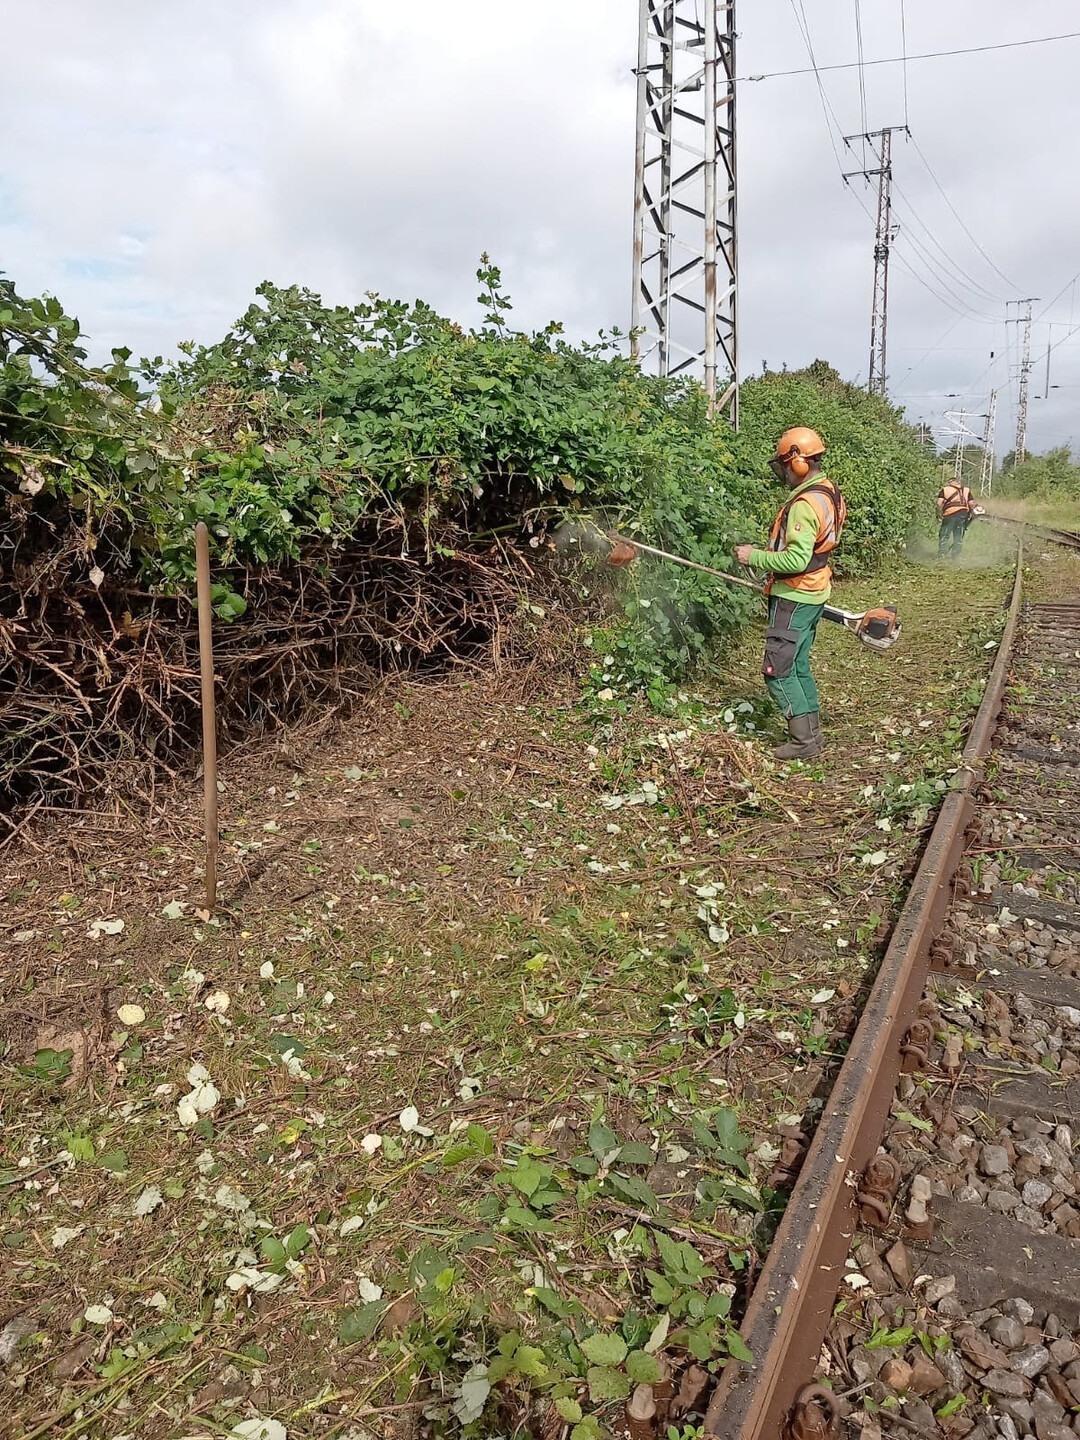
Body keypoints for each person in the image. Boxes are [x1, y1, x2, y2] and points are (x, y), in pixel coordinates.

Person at [734, 427, 846, 760]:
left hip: (795, 595)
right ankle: (813, 735)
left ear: (798, 463)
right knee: (798, 665)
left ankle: (802, 742)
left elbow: (796, 559)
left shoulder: (804, 504)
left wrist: (753, 556)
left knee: (778, 670)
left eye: (784, 466)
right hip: (815, 590)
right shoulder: (829, 492)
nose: (783, 473)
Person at [936, 477, 974, 559]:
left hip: (949, 514)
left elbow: (939, 503)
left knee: (945, 534)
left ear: (949, 483)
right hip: (963, 515)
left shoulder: (945, 489)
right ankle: (956, 556)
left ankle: (942, 554)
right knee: (958, 536)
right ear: (958, 483)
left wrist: (938, 514)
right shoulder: (966, 490)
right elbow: (971, 504)